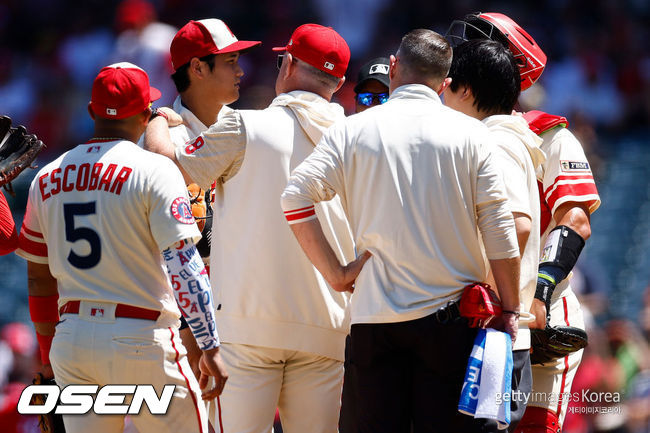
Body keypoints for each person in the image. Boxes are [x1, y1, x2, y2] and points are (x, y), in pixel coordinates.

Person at [280, 29, 522, 433]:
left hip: (375, 319)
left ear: (393, 68)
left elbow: (294, 198)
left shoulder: (351, 130)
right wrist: (511, 309)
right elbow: (500, 229)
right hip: (452, 323)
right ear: (444, 84)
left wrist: (337, 274)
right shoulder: (473, 135)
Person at [144, 24, 358, 433]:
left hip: (247, 329)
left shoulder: (245, 126)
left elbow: (167, 167)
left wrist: (155, 121)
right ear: (340, 81)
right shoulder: (360, 138)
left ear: (289, 64)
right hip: (329, 328)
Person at [15, 62, 227, 433]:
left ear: (92, 111)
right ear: (147, 115)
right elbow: (184, 266)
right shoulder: (155, 170)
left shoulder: (46, 177)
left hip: (74, 340)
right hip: (142, 337)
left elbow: (37, 279)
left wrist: (50, 355)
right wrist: (209, 344)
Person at [446, 12, 601, 432]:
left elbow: (575, 220)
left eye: (481, 44)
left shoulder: (550, 135)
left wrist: (542, 293)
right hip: (471, 311)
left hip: (539, 313)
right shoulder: (445, 134)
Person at [445, 38, 546, 431]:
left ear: (466, 90)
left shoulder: (495, 140)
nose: (443, 95)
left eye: (448, 85)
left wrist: (491, 295)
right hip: (499, 333)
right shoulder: (504, 136)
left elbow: (517, 224)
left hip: (491, 333)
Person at [164, 17, 260, 384]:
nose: (241, 70)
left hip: (242, 304)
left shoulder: (246, 127)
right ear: (198, 68)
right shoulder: (160, 137)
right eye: (230, 61)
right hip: (182, 312)